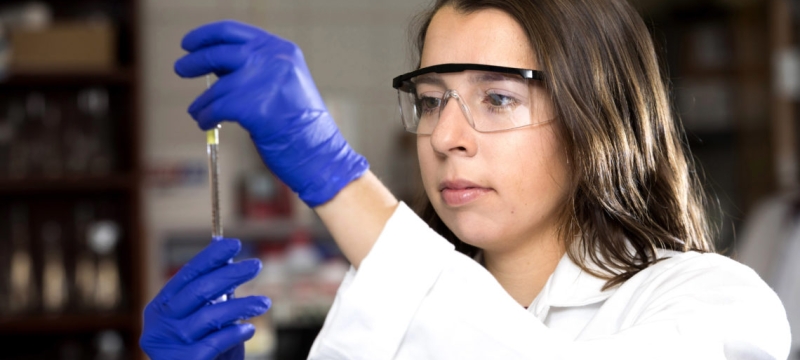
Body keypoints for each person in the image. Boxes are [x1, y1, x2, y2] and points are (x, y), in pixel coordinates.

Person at [139, 0, 792, 359]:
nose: (446, 136)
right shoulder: (382, 306)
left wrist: (337, 180)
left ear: (596, 119)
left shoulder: (719, 308)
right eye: (431, 99)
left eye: (498, 99)